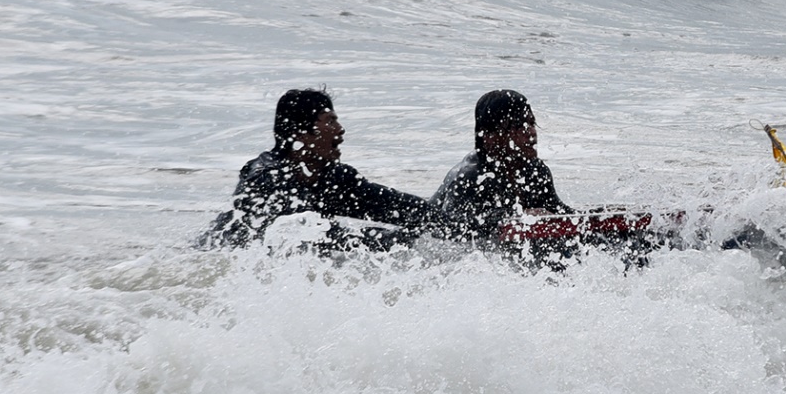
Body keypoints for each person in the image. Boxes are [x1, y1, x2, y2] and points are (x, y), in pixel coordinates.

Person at [204, 88, 438, 249]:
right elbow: (317, 238)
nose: (340, 129)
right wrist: (394, 240)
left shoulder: (334, 178)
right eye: (330, 121)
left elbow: (407, 209)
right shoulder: (267, 180)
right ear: (300, 133)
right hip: (222, 262)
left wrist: (452, 227)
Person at [432, 89, 572, 238]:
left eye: (531, 123)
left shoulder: (536, 171)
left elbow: (558, 212)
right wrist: (518, 214)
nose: (531, 132)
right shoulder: (471, 177)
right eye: (519, 126)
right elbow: (452, 226)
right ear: (489, 136)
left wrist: (596, 217)